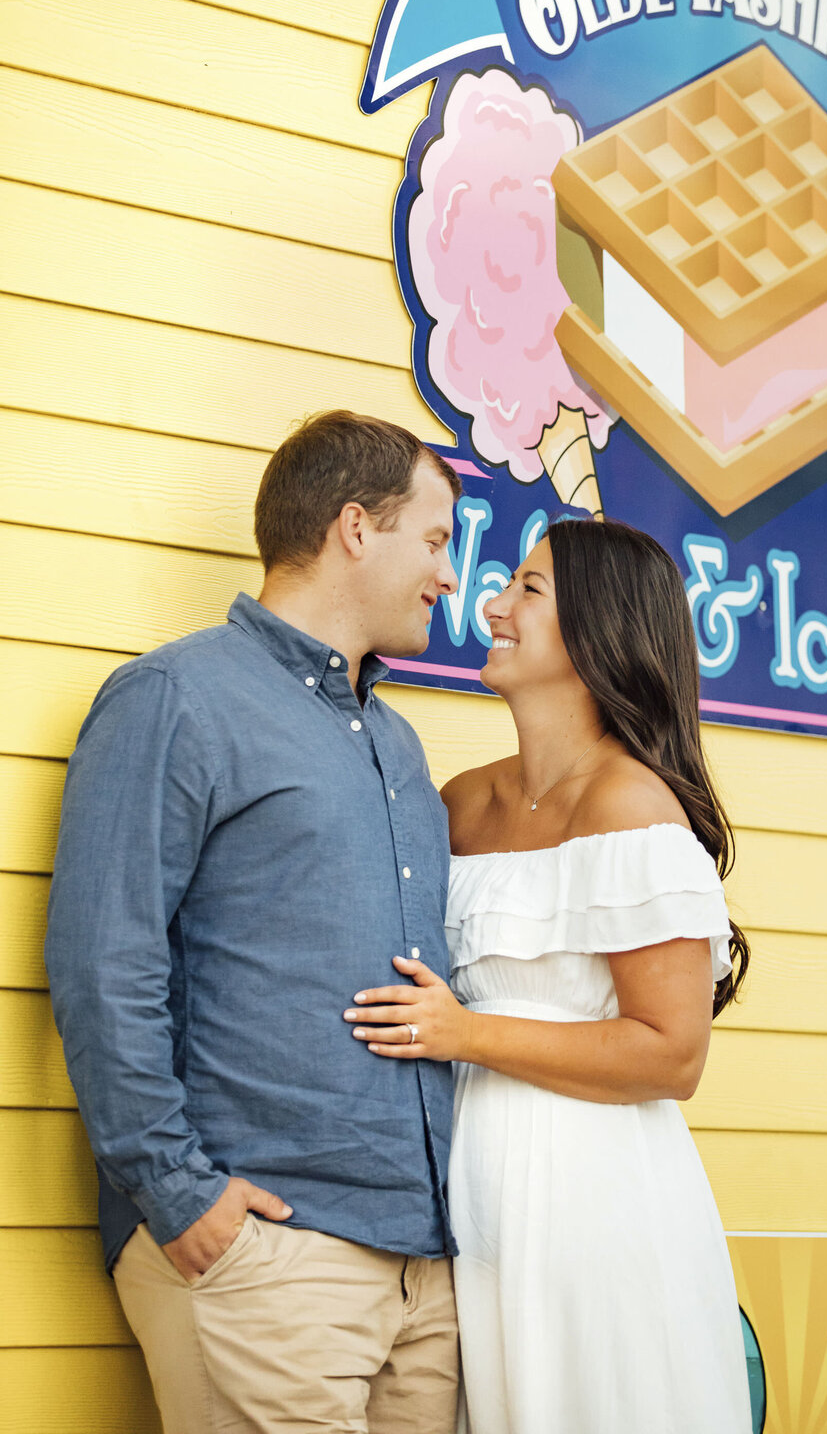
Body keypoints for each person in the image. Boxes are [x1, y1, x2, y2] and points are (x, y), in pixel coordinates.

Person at [45, 411, 464, 1434]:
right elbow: (105, 962)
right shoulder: (175, 699)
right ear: (356, 529)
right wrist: (179, 1195)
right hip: (270, 1260)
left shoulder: (400, 745)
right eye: (437, 540)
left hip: (426, 1273)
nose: (448, 577)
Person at [344, 516, 754, 1434]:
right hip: (465, 1199)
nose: (492, 604)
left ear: (600, 632)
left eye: (528, 590)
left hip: (591, 1202)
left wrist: (468, 1034)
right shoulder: (460, 802)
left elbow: (672, 1054)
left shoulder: (632, 808)